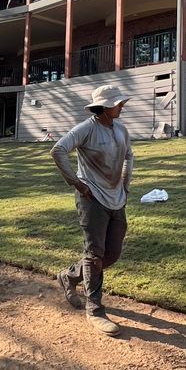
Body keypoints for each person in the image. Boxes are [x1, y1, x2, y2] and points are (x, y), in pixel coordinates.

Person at [50, 86, 133, 337]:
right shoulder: (87, 128)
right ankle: (95, 309)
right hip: (92, 198)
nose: (122, 107)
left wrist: (125, 184)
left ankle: (70, 275)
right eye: (118, 104)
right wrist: (76, 182)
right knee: (95, 254)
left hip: (116, 197)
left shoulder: (120, 128)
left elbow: (129, 155)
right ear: (105, 107)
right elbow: (58, 150)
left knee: (112, 254)